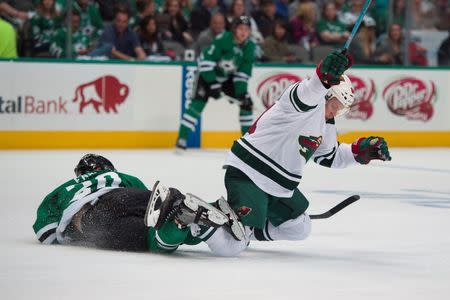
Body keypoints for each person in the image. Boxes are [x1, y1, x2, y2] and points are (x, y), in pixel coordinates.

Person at [154, 50, 391, 257]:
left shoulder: (324, 122)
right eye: (335, 105)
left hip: (278, 188)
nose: (334, 113)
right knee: (233, 247)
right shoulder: (301, 99)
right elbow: (309, 91)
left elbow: (330, 156)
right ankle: (195, 216)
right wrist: (323, 77)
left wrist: (361, 152)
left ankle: (242, 226)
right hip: (250, 174)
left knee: (301, 228)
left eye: (339, 111)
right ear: (327, 94)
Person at [33, 154, 238, 253]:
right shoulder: (120, 176)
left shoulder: (62, 190)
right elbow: (154, 203)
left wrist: (74, 234)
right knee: (164, 217)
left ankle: (180, 222)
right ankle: (189, 220)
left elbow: (45, 232)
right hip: (125, 195)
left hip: (95, 221)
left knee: (153, 243)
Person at [175, 15, 256, 150]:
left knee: (246, 104)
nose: (243, 32)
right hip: (208, 76)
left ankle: (247, 143)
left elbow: (242, 74)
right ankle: (182, 138)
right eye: (241, 28)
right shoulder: (223, 39)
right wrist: (212, 82)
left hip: (227, 79)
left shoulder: (250, 46)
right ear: (234, 29)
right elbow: (205, 61)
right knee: (197, 104)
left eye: (247, 29)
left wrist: (242, 93)